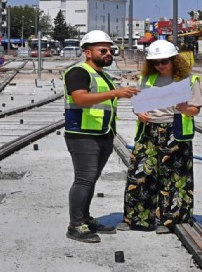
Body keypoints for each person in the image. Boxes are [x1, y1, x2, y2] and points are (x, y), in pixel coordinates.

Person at [63, 30, 140, 243]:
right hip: (82, 135)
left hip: (102, 134)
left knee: (90, 180)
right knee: (83, 179)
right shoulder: (78, 72)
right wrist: (115, 93)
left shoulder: (102, 74)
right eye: (103, 50)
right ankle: (75, 225)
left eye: (110, 50)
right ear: (88, 52)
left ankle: (85, 218)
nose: (109, 53)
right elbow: (80, 99)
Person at [120, 39, 202, 234]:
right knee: (140, 175)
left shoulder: (188, 80)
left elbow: (195, 110)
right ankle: (137, 218)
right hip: (148, 131)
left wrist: (185, 109)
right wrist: (138, 113)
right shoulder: (146, 80)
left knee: (174, 177)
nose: (159, 66)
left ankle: (170, 221)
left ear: (174, 60)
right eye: (155, 62)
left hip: (175, 132)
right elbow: (138, 106)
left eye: (164, 61)